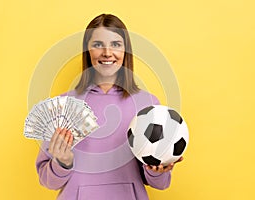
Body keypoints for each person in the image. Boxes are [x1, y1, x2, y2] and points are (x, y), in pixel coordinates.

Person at [36, 13, 183, 200]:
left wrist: (157, 170)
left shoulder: (149, 105)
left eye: (116, 44)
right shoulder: (62, 106)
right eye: (98, 44)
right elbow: (46, 181)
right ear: (87, 51)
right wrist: (62, 163)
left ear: (126, 51)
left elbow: (161, 184)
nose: (107, 52)